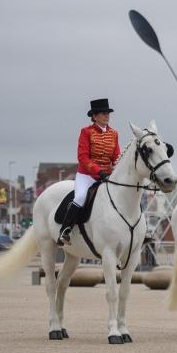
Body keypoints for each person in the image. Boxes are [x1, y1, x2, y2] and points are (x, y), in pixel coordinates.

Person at [58, 98, 120, 245]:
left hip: (107, 175)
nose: (107, 116)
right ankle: (65, 230)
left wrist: (118, 169)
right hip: (87, 175)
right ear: (95, 116)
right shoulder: (86, 132)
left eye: (108, 113)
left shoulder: (114, 133)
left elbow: (116, 156)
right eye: (103, 113)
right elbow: (83, 157)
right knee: (79, 197)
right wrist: (99, 171)